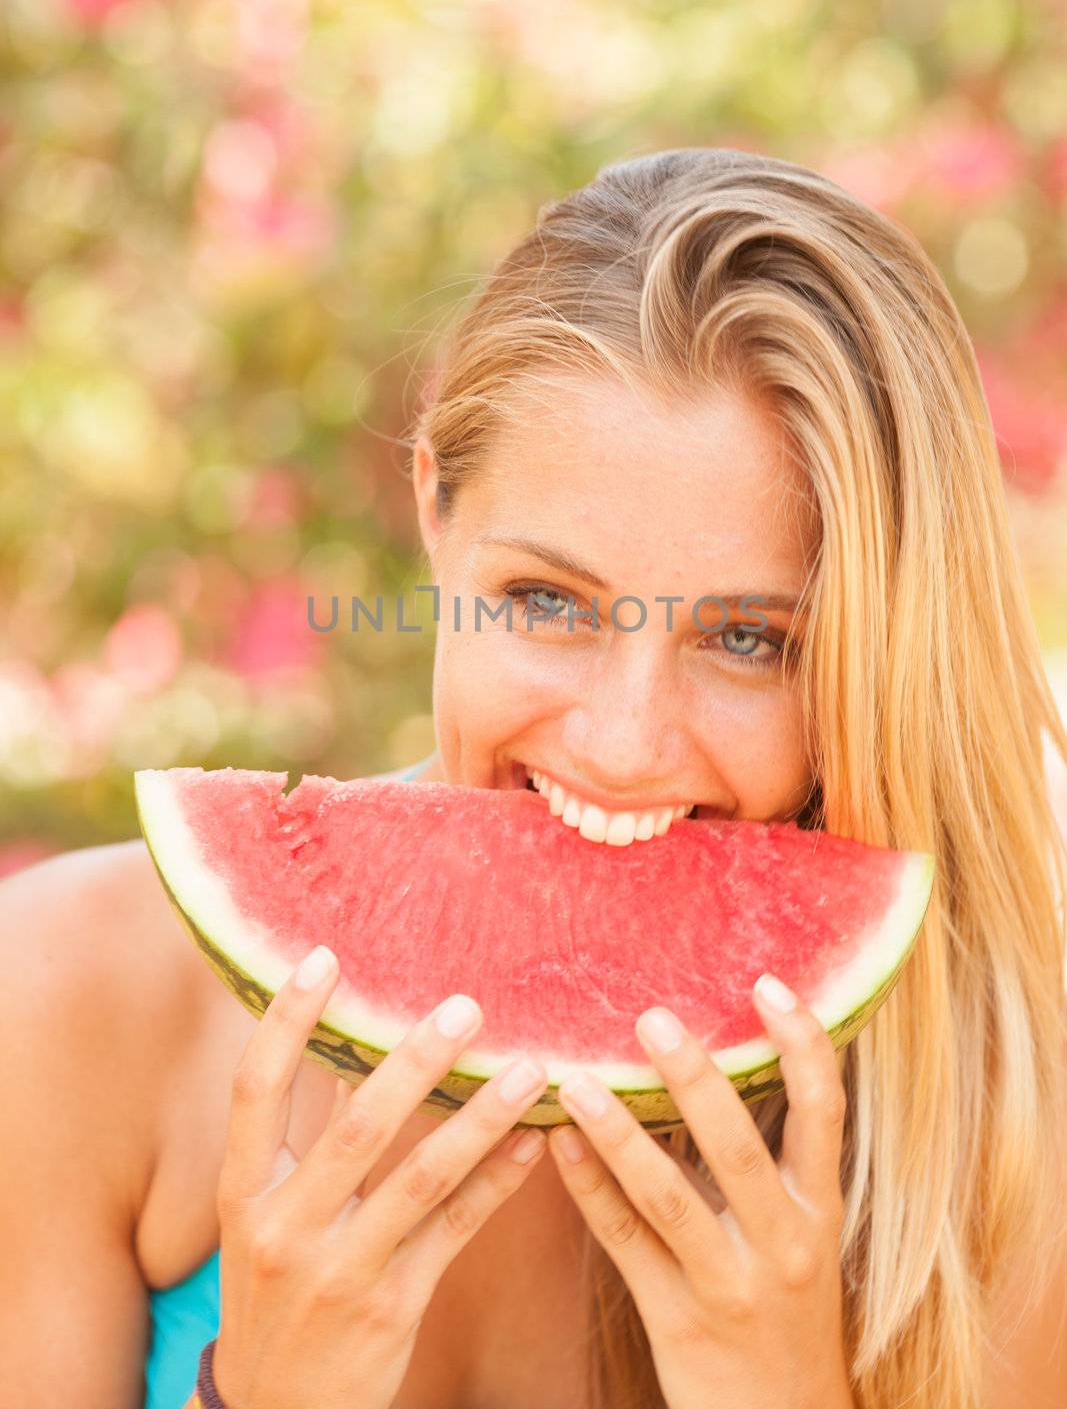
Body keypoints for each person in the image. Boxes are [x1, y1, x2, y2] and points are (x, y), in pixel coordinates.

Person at [3, 146, 1066, 1409]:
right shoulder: (66, 996)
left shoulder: (998, 1135)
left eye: (747, 639)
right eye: (547, 600)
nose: (622, 742)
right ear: (435, 517)